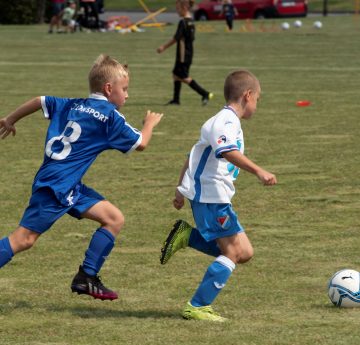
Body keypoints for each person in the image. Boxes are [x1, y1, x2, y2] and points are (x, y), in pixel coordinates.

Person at [0, 54, 163, 301]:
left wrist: (10, 118)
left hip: (67, 186)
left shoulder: (70, 104)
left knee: (114, 219)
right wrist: (149, 123)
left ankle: (86, 277)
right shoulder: (110, 117)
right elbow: (141, 143)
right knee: (23, 239)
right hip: (56, 187)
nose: (127, 95)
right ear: (109, 89)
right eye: (125, 89)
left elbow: (40, 100)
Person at [160, 70, 277, 321]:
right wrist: (259, 170)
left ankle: (188, 236)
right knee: (234, 252)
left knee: (244, 252)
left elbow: (192, 154)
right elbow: (227, 152)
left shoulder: (227, 121)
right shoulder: (225, 122)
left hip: (214, 196)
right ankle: (198, 306)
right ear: (247, 95)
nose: (257, 104)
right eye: (257, 99)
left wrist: (180, 189)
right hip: (210, 197)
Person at [157, 0, 213, 106]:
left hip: (183, 56)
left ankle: (205, 93)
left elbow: (176, 38)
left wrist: (163, 47)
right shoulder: (191, 21)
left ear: (184, 8)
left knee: (183, 76)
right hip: (188, 53)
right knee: (175, 74)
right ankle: (176, 100)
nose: (177, 11)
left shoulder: (183, 22)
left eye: (178, 8)